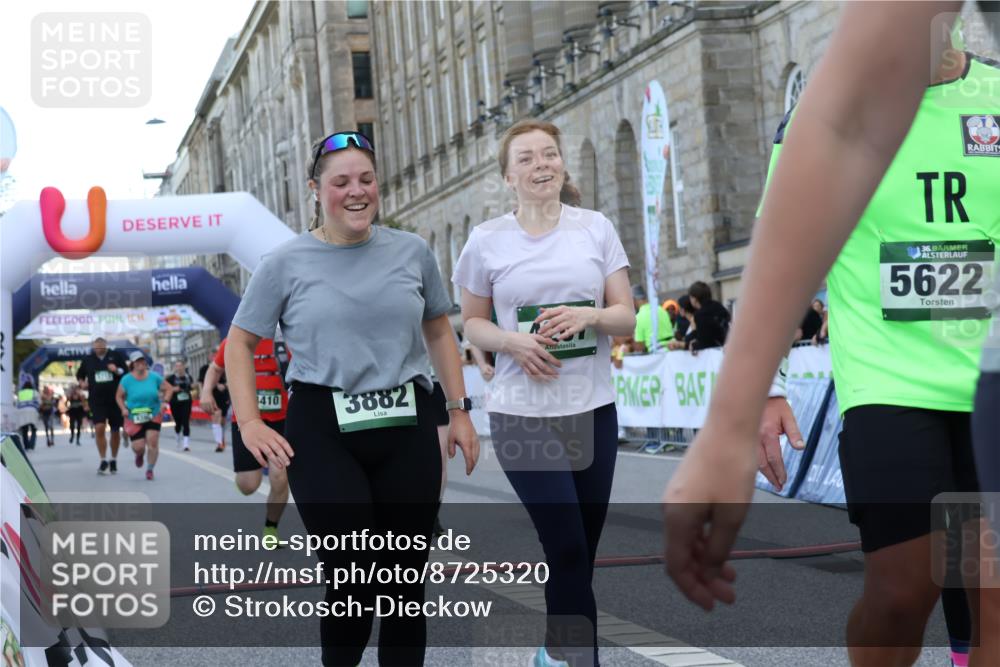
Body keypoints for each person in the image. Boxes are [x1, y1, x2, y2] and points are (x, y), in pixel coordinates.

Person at [662, 5, 999, 666]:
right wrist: (759, 392)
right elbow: (790, 257)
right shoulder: (833, 119)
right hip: (891, 384)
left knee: (986, 586)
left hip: (987, 381)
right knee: (905, 587)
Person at [226, 130, 479, 666]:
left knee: (405, 590)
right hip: (324, 429)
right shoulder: (284, 262)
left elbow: (438, 327)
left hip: (406, 423)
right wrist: (249, 422)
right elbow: (241, 344)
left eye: (366, 179)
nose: (356, 191)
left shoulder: (411, 251)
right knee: (353, 583)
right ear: (317, 190)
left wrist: (459, 411)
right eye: (341, 182)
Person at [453, 118, 634, 667]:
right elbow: (470, 324)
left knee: (581, 553)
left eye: (549, 154)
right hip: (521, 412)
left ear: (563, 165)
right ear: (508, 177)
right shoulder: (487, 240)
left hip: (592, 409)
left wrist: (591, 314)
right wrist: (513, 342)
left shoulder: (595, 228)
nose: (541, 165)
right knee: (566, 546)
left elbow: (626, 318)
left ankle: (556, 653)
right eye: (527, 158)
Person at [200, 337, 290, 542]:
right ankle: (243, 479)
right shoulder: (236, 339)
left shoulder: (285, 341)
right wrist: (206, 392)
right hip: (246, 420)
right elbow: (215, 368)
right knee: (249, 485)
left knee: (280, 477)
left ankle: (271, 529)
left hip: (281, 419)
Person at [116, 351, 175, 481]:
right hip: (134, 416)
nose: (140, 363)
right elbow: (118, 396)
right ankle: (139, 454)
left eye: (142, 361)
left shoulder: (154, 377)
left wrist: (165, 402)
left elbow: (169, 389)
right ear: (132, 364)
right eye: (137, 361)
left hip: (153, 413)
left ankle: (150, 469)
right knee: (138, 447)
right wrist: (123, 408)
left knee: (152, 442)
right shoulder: (126, 379)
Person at [76, 338, 128, 474]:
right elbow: (80, 376)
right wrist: (82, 384)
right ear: (93, 347)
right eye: (96, 347)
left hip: (115, 399)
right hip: (96, 400)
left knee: (115, 431)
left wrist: (116, 370)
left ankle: (113, 459)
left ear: (105, 346)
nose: (99, 349)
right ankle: (103, 459)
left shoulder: (115, 356)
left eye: (101, 346)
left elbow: (126, 373)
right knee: (99, 427)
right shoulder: (88, 359)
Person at [198, 346, 229, 452]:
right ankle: (219, 443)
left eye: (216, 355)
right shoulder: (205, 369)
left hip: (224, 396)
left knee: (223, 420)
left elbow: (231, 381)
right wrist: (202, 395)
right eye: (212, 355)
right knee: (216, 416)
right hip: (212, 396)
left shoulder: (226, 367)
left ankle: (221, 439)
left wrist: (224, 386)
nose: (214, 357)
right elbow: (201, 383)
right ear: (209, 356)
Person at [686, 281, 730, 351]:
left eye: (690, 297)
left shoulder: (700, 315)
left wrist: (693, 345)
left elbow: (705, 342)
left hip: (716, 354)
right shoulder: (718, 306)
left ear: (695, 299)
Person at [631, 284, 673, 353]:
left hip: (657, 354)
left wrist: (630, 342)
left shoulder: (638, 317)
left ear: (633, 299)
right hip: (673, 350)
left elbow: (640, 346)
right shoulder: (661, 309)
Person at [166, 360, 194, 451]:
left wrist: (193, 388)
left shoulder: (188, 377)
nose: (179, 368)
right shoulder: (171, 378)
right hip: (175, 402)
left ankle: (186, 444)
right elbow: (166, 389)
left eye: (180, 366)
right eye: (177, 366)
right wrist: (174, 389)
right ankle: (177, 434)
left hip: (186, 401)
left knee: (185, 421)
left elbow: (192, 387)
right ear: (175, 368)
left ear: (184, 367)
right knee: (178, 422)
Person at [15, 381, 38, 450]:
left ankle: (26, 446)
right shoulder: (34, 392)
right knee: (34, 429)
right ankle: (32, 444)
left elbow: (17, 403)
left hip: (22, 412)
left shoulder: (20, 393)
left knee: (24, 430)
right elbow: (38, 402)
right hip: (32, 411)